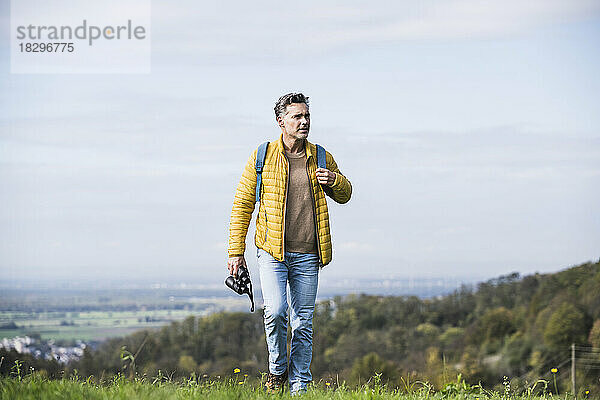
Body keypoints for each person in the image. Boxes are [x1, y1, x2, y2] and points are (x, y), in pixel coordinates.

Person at [227, 92, 352, 394]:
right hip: (272, 253)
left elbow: (346, 194)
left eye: (307, 115)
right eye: (297, 116)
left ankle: (300, 387)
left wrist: (333, 180)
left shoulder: (320, 156)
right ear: (280, 121)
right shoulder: (262, 156)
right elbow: (243, 203)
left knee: (303, 324)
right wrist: (235, 251)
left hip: (309, 253)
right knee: (276, 311)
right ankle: (277, 370)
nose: (304, 121)